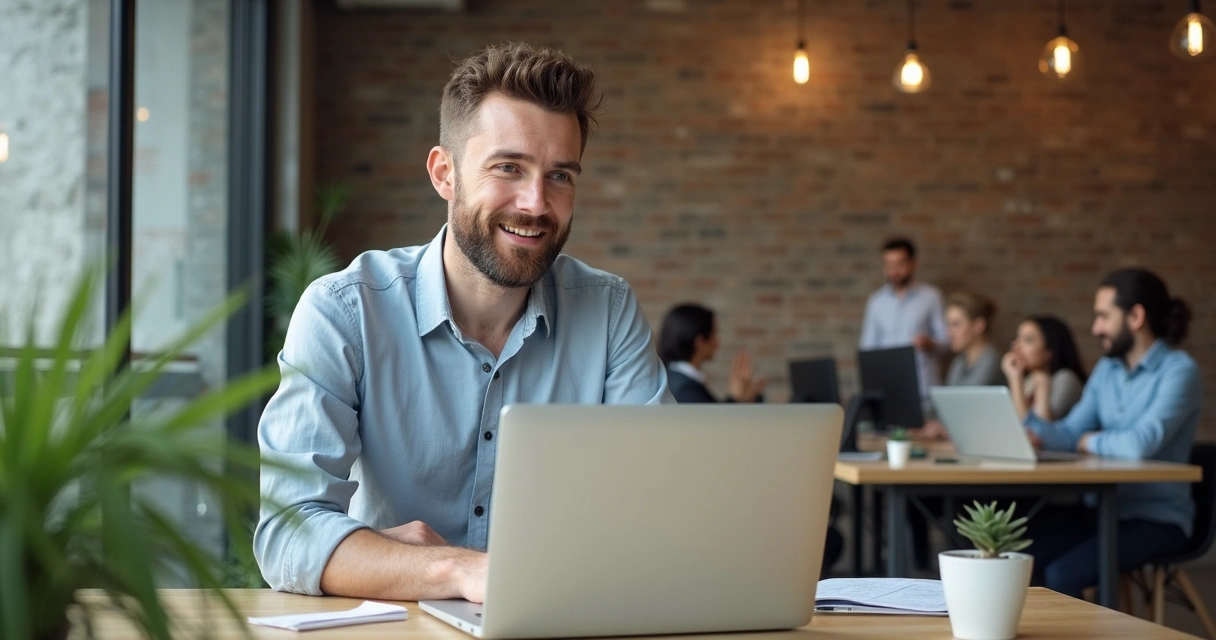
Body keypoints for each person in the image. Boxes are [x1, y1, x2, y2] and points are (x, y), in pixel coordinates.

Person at [253, 42, 673, 602]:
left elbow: (662, 509)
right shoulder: (345, 312)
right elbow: (288, 532)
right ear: (444, 173)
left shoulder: (609, 311)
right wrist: (457, 571)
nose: (536, 203)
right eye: (509, 167)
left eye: (560, 176)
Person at [1024, 268, 1201, 599]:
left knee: (1063, 574)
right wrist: (1035, 433)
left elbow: (1138, 445)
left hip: (1157, 517)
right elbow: (1070, 431)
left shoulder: (1180, 371)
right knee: (1021, 553)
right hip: (1102, 509)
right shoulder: (1108, 370)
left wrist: (1088, 441)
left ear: (1135, 316)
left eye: (1104, 316)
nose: (1095, 328)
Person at [859, 237, 949, 405]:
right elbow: (867, 349)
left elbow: (948, 341)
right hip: (889, 389)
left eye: (899, 264)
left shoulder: (931, 297)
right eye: (888, 265)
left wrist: (929, 343)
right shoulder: (876, 302)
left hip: (924, 388)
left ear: (913, 263)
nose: (893, 271)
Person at [919, 290, 1004, 439]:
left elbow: (965, 412)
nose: (948, 333)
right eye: (948, 325)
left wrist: (941, 427)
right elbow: (946, 408)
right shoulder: (959, 361)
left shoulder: (991, 360)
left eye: (956, 324)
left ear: (978, 325)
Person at [658, 303, 765, 403]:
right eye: (714, 334)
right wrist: (734, 398)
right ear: (700, 342)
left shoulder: (671, 379)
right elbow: (713, 421)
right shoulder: (685, 389)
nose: (717, 343)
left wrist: (740, 398)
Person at [1001, 315, 1087, 421]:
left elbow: (1037, 431)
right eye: (1018, 338)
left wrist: (1015, 379)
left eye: (1028, 340)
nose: (1016, 346)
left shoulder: (1066, 379)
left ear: (1049, 352)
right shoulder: (1029, 380)